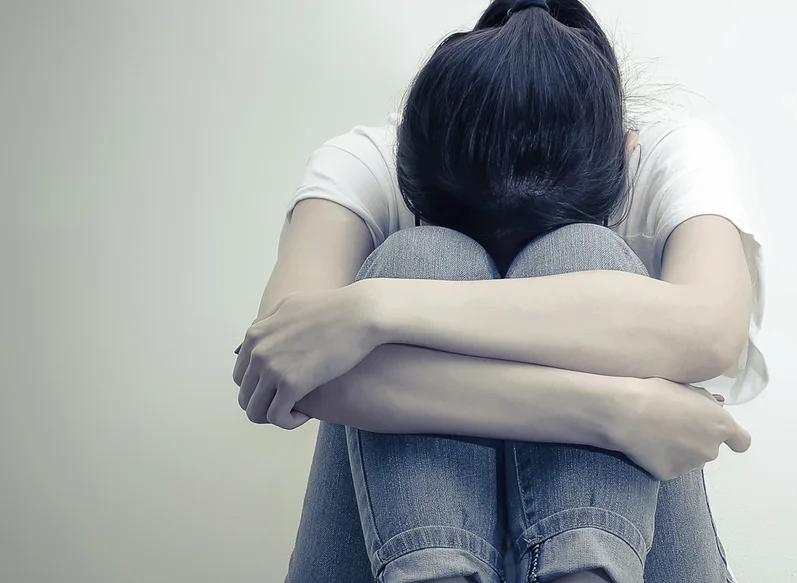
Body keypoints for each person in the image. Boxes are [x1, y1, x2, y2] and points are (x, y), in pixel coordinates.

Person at [229, 0, 769, 581]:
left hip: (623, 556)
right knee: (423, 256)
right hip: (399, 556)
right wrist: (613, 410)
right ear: (405, 161)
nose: (507, 269)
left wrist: (374, 311)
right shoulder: (365, 162)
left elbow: (710, 330)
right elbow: (279, 363)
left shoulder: (670, 153)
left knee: (581, 253)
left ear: (626, 150)